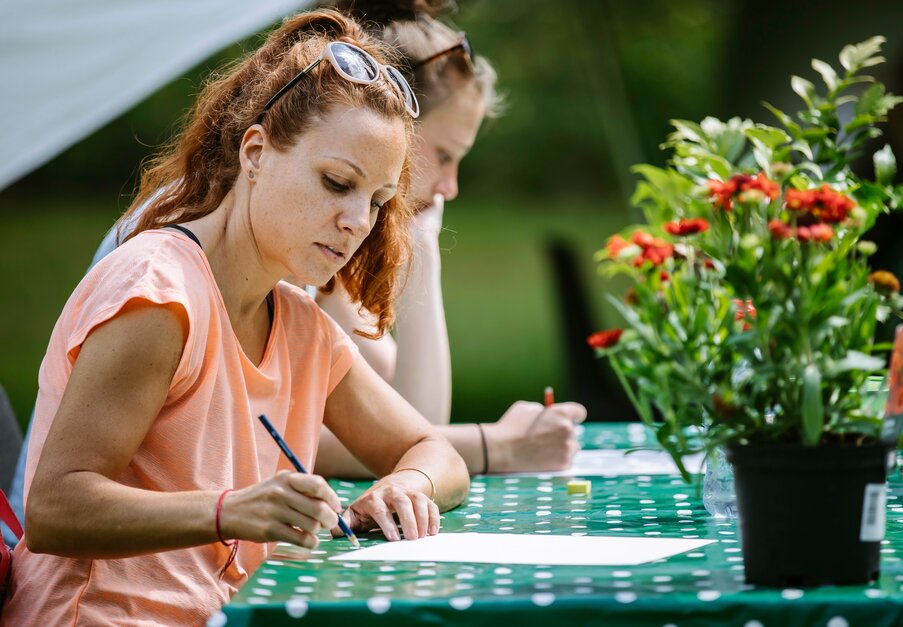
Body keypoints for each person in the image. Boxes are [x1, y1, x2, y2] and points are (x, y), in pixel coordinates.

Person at [1, 9, 469, 625]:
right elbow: (57, 508)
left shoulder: (302, 325)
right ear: (256, 152)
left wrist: (409, 484)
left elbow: (434, 451)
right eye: (336, 183)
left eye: (378, 202)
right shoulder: (160, 295)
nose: (358, 220)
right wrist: (229, 510)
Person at [312, 0, 587, 478]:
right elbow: (365, 445)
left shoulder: (325, 269)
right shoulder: (288, 242)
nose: (450, 186)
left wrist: (421, 252)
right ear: (395, 120)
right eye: (444, 155)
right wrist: (498, 447)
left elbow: (407, 421)